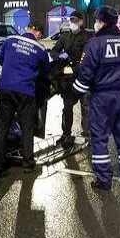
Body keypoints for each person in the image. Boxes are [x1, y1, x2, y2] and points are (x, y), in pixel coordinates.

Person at [74, 6, 120, 190]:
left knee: (99, 140)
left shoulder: (95, 44)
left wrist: (73, 93)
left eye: (97, 21)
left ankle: (104, 180)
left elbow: (85, 75)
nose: (95, 24)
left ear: (102, 22)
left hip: (102, 99)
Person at [0, 23, 50, 171]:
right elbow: (45, 71)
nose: (40, 38)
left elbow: (2, 59)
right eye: (41, 36)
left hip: (6, 88)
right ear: (36, 30)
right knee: (27, 127)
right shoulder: (40, 49)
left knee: (2, 126)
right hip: (26, 92)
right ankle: (28, 162)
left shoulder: (10, 40)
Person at [51, 13, 91, 146]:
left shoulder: (87, 38)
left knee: (85, 107)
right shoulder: (65, 36)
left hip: (84, 77)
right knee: (67, 107)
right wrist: (60, 56)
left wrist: (75, 68)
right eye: (71, 20)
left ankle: (87, 135)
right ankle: (66, 134)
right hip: (69, 79)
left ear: (81, 22)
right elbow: (54, 51)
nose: (72, 23)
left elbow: (87, 59)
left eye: (75, 20)